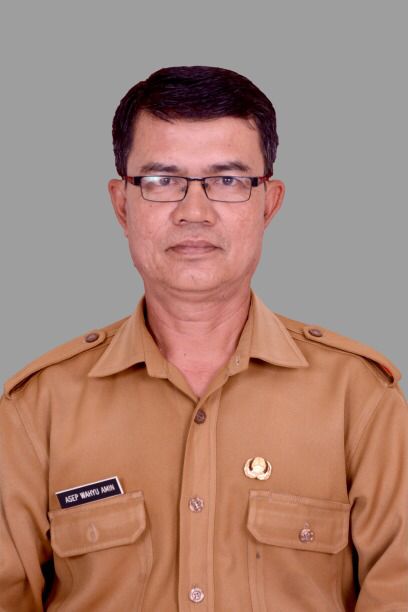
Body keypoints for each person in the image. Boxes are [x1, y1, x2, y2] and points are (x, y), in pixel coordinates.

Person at [0, 65, 406, 612]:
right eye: (162, 180)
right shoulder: (37, 409)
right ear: (122, 204)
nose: (194, 212)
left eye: (228, 180)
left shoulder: (360, 400)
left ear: (269, 202)